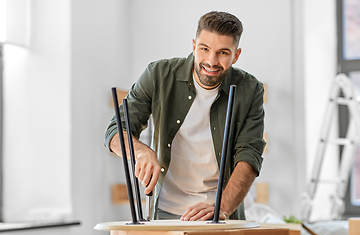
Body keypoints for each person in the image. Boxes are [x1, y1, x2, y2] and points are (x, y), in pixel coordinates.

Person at [104, 11, 266, 221]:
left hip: (219, 214)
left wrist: (222, 208)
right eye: (204, 49)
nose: (211, 60)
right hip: (164, 212)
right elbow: (115, 133)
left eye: (223, 52)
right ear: (193, 45)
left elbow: (249, 155)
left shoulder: (250, 89)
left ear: (236, 55)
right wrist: (141, 152)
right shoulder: (158, 75)